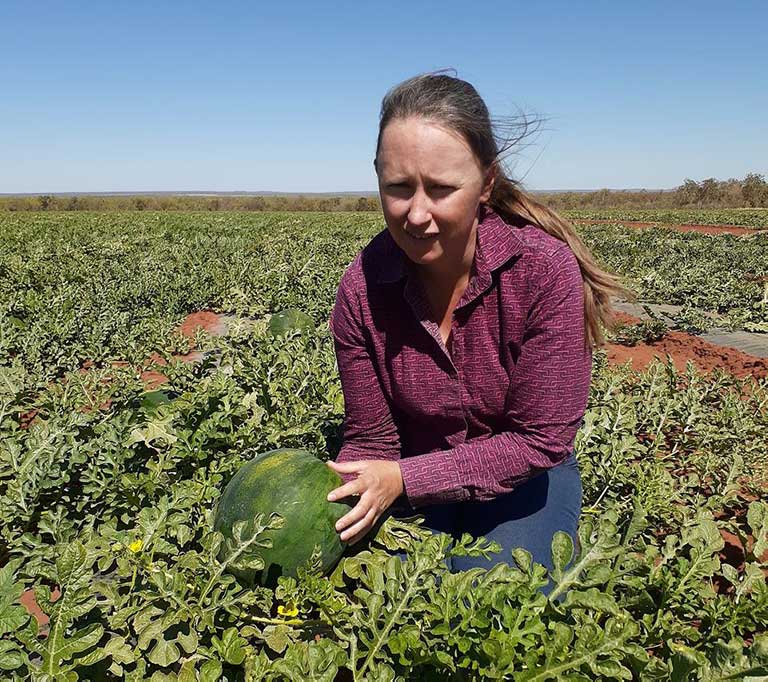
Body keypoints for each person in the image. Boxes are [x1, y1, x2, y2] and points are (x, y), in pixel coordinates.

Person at [324, 72, 634, 588]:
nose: (416, 214)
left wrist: (403, 479)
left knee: (488, 601)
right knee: (384, 593)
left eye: (442, 189)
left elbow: (538, 442)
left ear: (486, 183)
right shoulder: (362, 288)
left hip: (523, 477)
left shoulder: (544, 272)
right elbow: (372, 436)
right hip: (407, 469)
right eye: (398, 188)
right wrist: (338, 498)